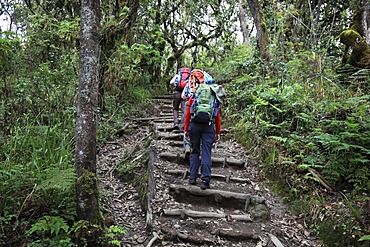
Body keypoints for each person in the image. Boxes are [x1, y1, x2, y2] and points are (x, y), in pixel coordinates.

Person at [183, 69, 222, 190]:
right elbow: (217, 115)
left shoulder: (195, 94)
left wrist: (186, 129)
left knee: (195, 151)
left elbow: (188, 113)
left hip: (194, 125)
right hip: (209, 126)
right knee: (206, 152)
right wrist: (218, 132)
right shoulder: (213, 95)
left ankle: (192, 178)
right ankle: (205, 180)